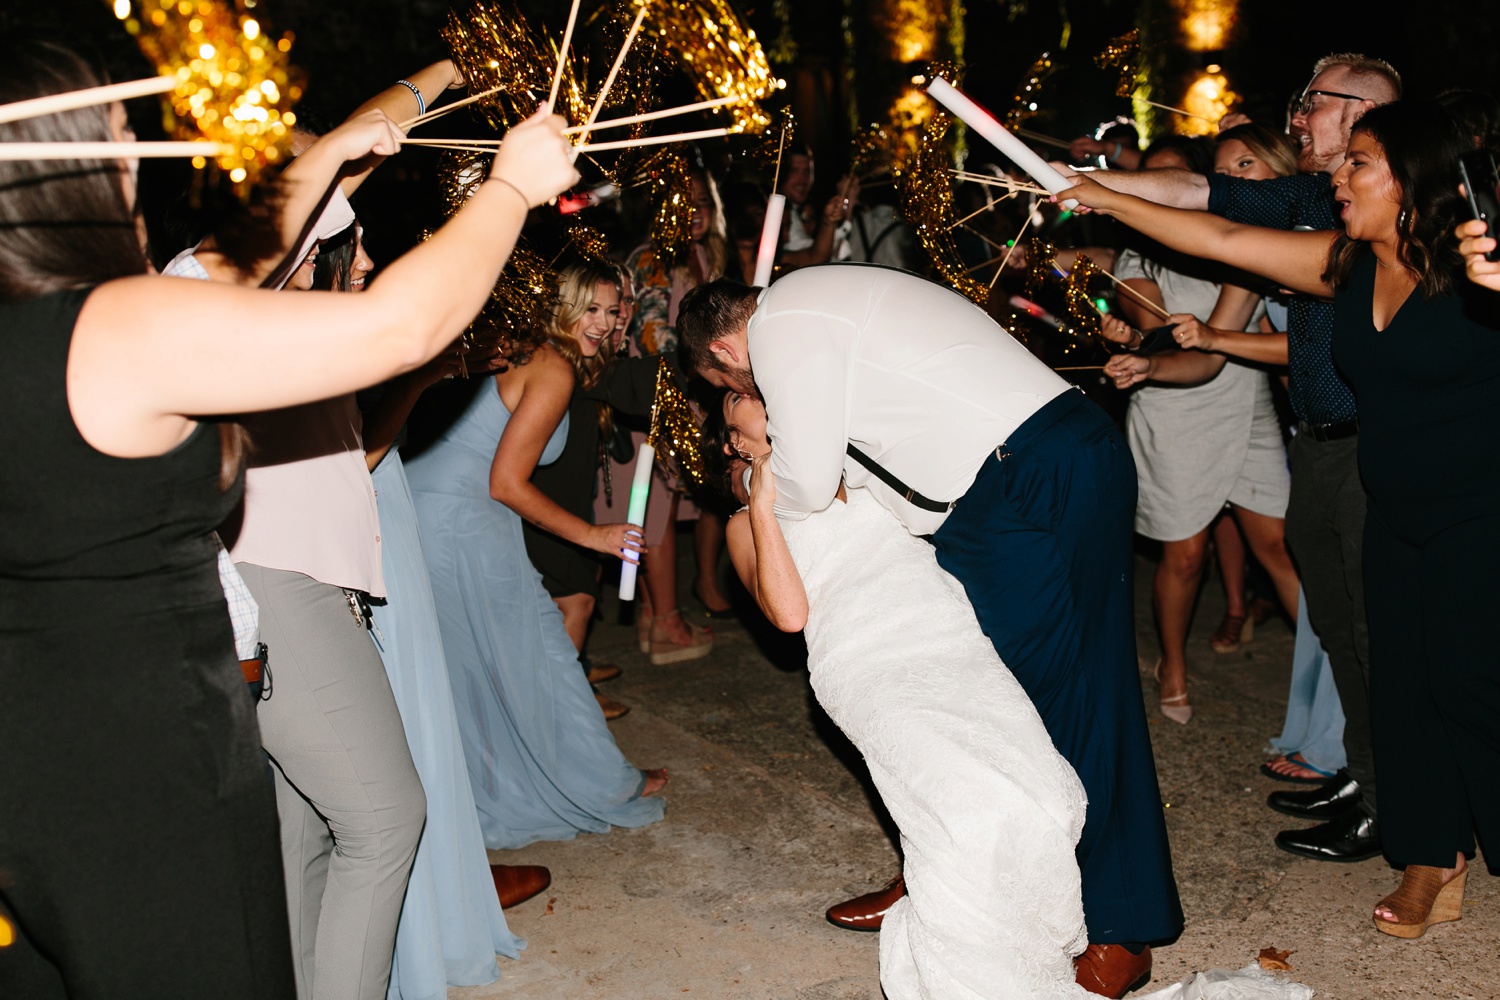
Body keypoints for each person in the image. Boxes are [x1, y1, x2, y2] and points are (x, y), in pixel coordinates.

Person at [0, 38, 577, 998]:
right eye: (114, 137)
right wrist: (511, 188)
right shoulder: (113, 324)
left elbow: (238, 253)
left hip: (47, 751)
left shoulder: (48, 328)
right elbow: (400, 327)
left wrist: (348, 141)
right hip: (148, 754)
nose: (134, 163)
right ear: (73, 166)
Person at [1061, 99, 1499, 941]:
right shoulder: (1350, 266)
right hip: (1395, 513)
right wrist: (1110, 197)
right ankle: (1427, 857)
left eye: (1358, 162)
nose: (1337, 176)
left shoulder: (1476, 268)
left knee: (1473, 684)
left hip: (1479, 518)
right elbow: (1221, 239)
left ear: (1411, 182)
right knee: (1400, 684)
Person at [677, 268, 1182, 997]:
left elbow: (810, 483)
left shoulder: (784, 322)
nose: (749, 399)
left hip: (1023, 475)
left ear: (725, 352)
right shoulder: (823, 309)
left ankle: (1117, 929)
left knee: (1065, 705)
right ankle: (948, 870)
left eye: (729, 385)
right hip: (1025, 471)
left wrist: (761, 476)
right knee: (1003, 709)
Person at [715, 395, 1311, 1000]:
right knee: (957, 807)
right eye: (737, 422)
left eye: (757, 404)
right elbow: (789, 615)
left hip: (951, 638)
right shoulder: (747, 524)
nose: (749, 425)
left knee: (1044, 792)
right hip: (871, 664)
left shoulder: (865, 466)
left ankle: (1023, 924)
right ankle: (954, 932)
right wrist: (762, 503)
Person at [1066, 52, 1402, 867]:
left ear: (1362, 111)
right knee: (1341, 628)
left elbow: (1219, 234)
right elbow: (1199, 193)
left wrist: (1105, 197)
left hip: (1372, 446)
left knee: (1373, 633)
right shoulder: (1314, 193)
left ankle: (1398, 808)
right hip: (1317, 441)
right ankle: (1364, 779)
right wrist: (1076, 178)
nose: (1295, 119)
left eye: (1310, 104)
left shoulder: (1385, 215)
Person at [404, 262, 668, 850]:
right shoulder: (551, 367)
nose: (600, 323)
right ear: (560, 305)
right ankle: (603, 785)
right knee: (542, 656)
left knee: (469, 667)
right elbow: (507, 483)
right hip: (462, 524)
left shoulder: (514, 347)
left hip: (417, 511)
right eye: (589, 308)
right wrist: (594, 536)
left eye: (610, 309)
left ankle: (484, 787)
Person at [1101, 130, 1300, 724]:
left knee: (1281, 548)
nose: (1157, 193)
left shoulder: (1248, 241)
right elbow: (1156, 326)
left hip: (1245, 401)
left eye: (1169, 181)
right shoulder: (1139, 255)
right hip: (1174, 404)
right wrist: (1138, 343)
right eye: (1147, 182)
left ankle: (1332, 670)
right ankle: (1173, 664)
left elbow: (1271, 335)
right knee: (1185, 556)